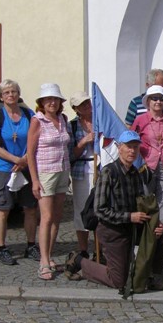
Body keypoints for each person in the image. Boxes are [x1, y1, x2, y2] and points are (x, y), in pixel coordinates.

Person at [66, 130, 163, 291]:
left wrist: (155, 224)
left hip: (132, 226)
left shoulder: (136, 173)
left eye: (135, 147)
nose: (132, 151)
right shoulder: (108, 172)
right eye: (128, 147)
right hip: (112, 229)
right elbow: (100, 210)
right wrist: (129, 217)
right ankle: (79, 260)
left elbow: (142, 206)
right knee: (118, 281)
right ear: (119, 148)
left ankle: (147, 275)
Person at [0, 78, 38, 265]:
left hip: (27, 166)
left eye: (14, 91)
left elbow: (36, 139)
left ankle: (31, 245)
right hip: (4, 168)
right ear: (1, 97)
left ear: (19, 94)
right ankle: (2, 248)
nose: (11, 95)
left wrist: (24, 159)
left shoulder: (28, 114)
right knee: (3, 209)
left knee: (30, 208)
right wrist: (16, 160)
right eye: (7, 92)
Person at [26, 83, 71, 281]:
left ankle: (49, 254)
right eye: (48, 99)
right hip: (45, 172)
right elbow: (30, 152)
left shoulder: (63, 119)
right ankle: (43, 261)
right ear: (42, 102)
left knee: (57, 217)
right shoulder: (37, 121)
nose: (52, 102)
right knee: (46, 217)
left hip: (62, 170)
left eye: (55, 99)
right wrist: (34, 180)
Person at [131, 84, 163, 227]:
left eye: (161, 99)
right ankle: (145, 234)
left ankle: (162, 234)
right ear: (148, 101)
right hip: (146, 165)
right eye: (154, 98)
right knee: (146, 200)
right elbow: (132, 140)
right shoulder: (140, 120)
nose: (158, 101)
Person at [68, 91, 96, 258]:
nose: (86, 105)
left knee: (99, 208)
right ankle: (84, 249)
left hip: (99, 167)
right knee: (81, 209)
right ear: (75, 108)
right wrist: (84, 141)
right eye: (81, 104)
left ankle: (99, 249)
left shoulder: (99, 120)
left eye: (87, 102)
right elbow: (71, 154)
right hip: (81, 169)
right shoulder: (72, 126)